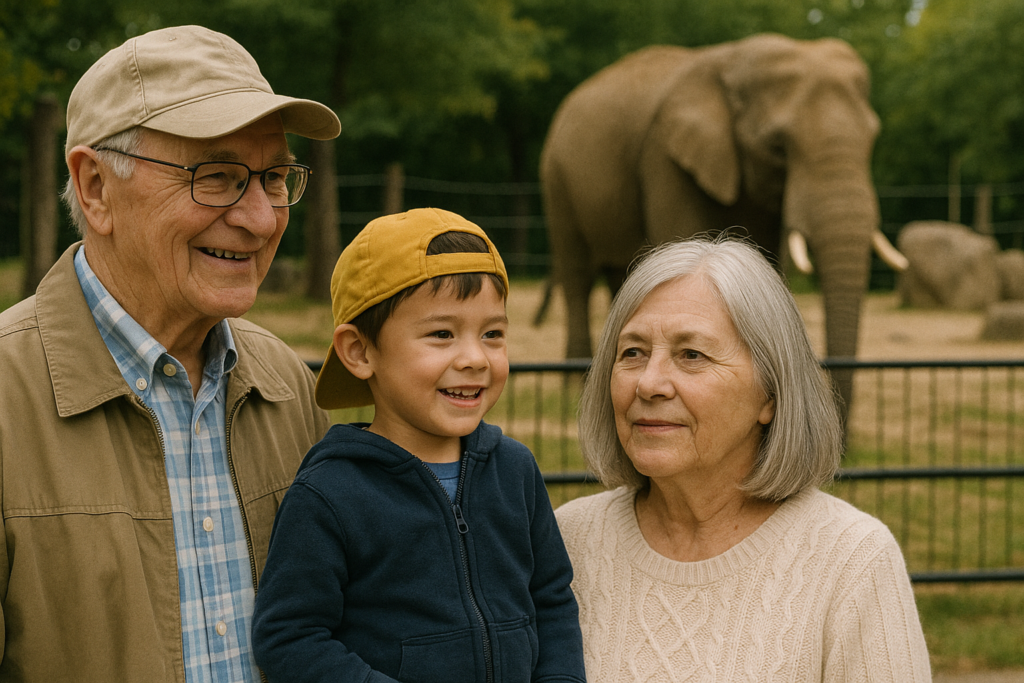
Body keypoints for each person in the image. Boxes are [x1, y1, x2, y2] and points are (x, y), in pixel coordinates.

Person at [0, 25, 339, 682]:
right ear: (95, 186)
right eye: (217, 177)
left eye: (273, 177)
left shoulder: (289, 388)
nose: (262, 218)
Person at [555, 236, 932, 682]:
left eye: (691, 355)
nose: (649, 383)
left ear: (770, 395)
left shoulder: (852, 561)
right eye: (632, 352)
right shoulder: (567, 540)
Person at [251, 208, 586, 683]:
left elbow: (551, 600)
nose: (474, 358)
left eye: (492, 334)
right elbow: (289, 636)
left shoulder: (515, 471)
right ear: (360, 352)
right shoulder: (329, 493)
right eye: (442, 334)